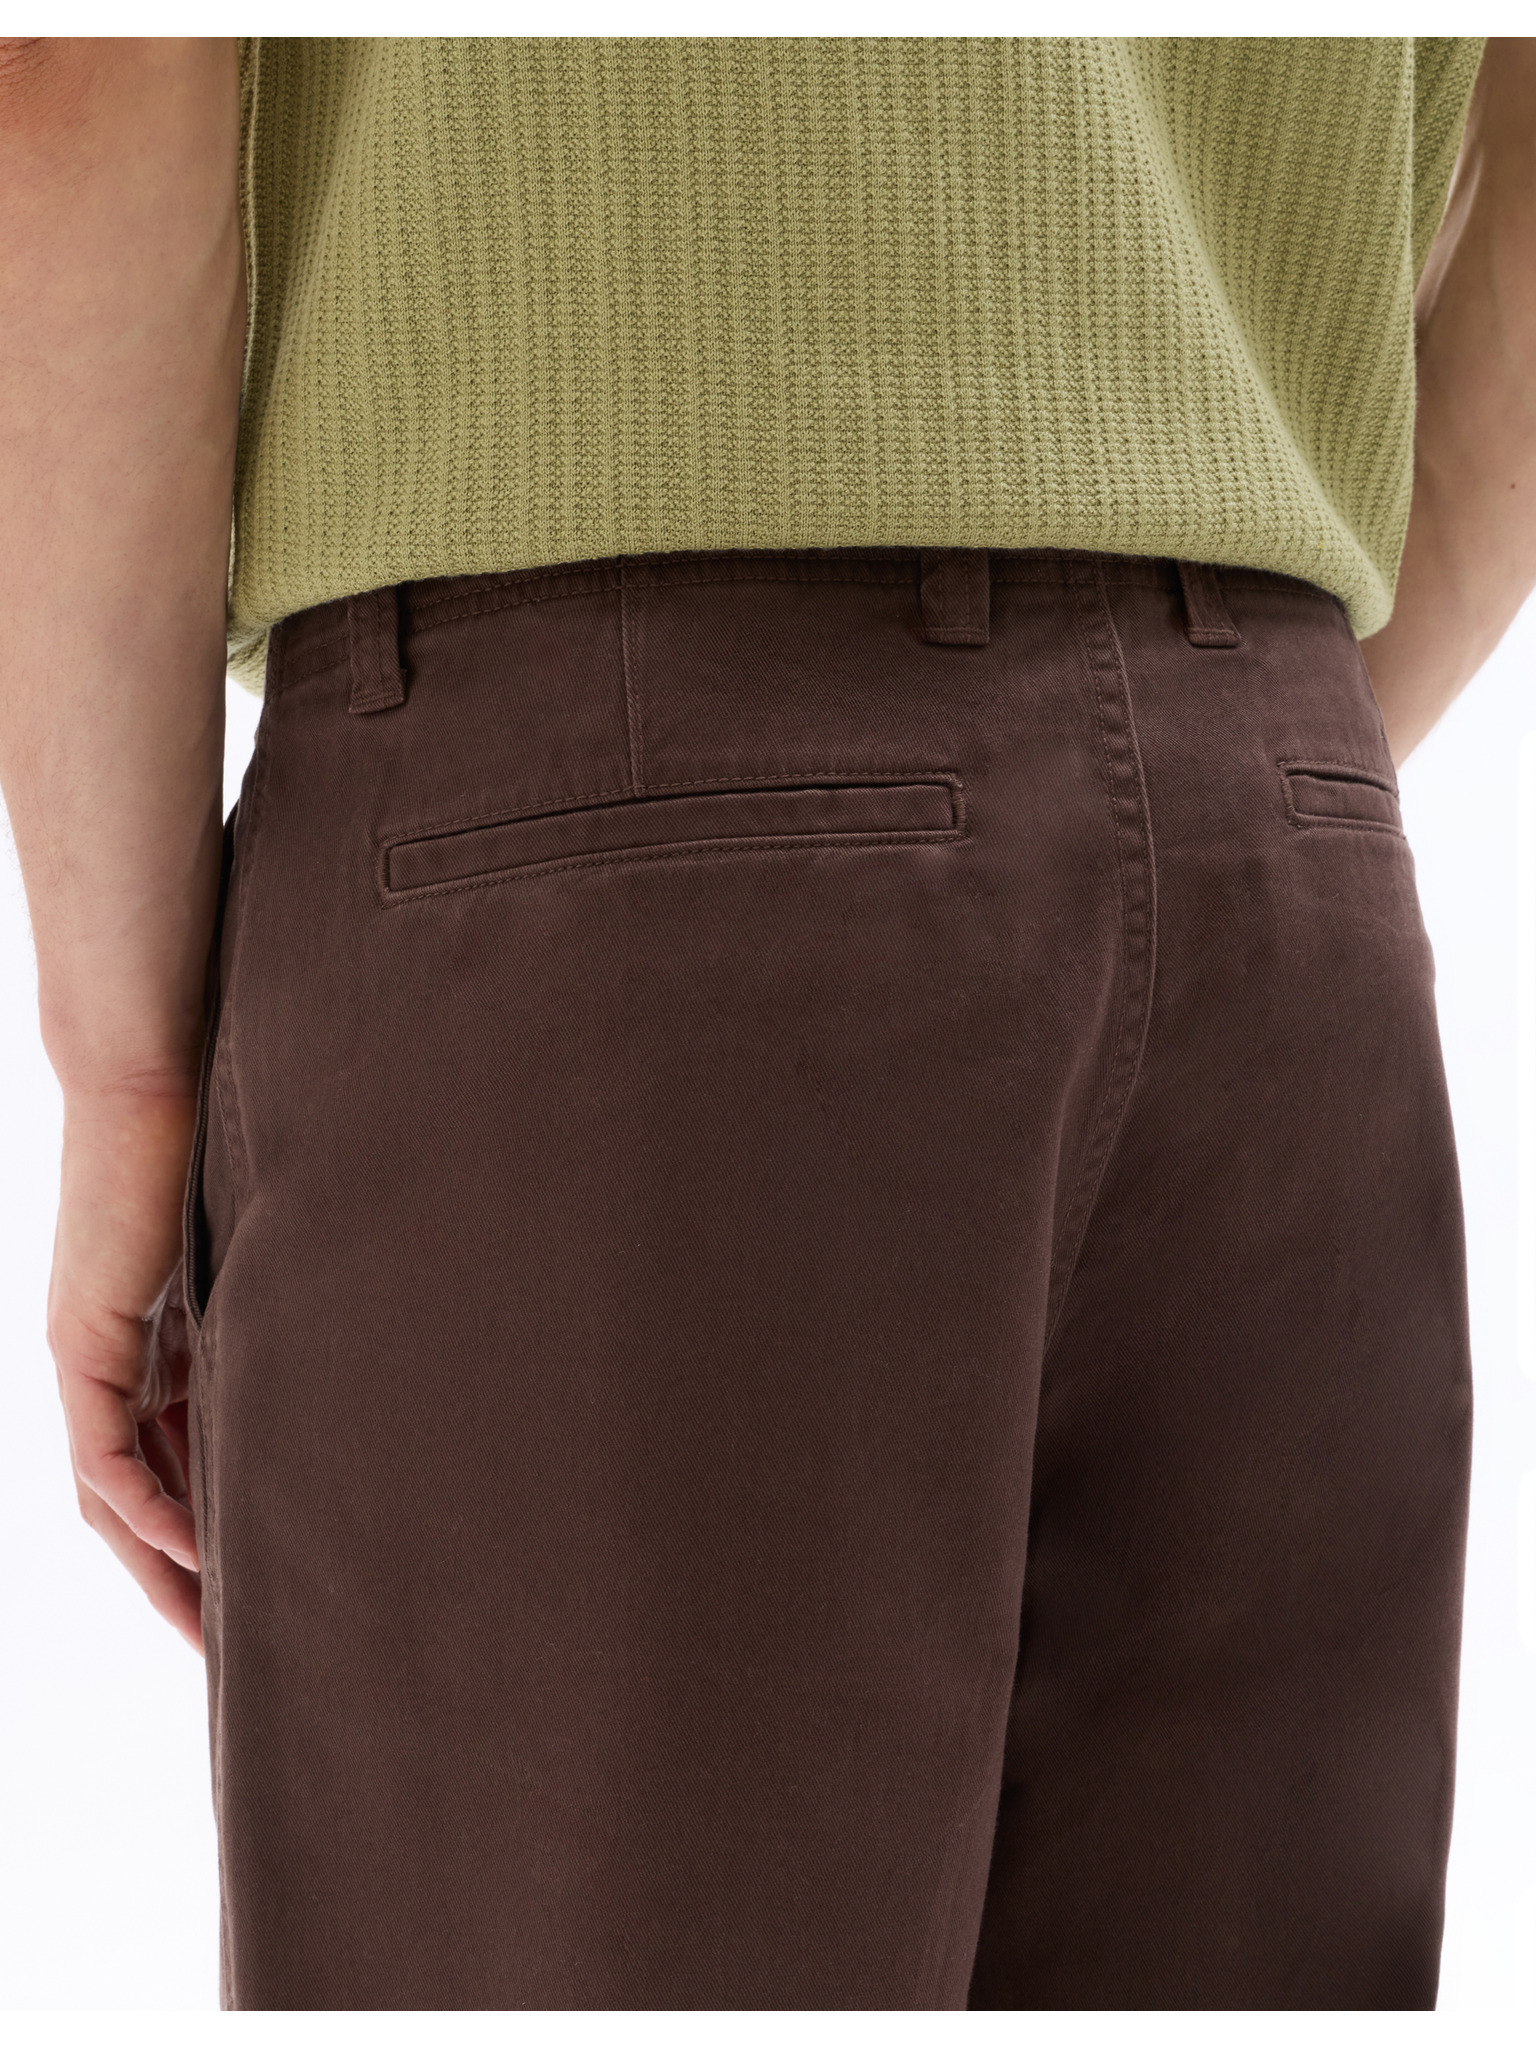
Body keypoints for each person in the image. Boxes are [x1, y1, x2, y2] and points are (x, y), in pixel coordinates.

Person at [0, 33, 1530, 2012]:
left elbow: (91, 75)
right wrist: (1239, 762)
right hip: (1284, 876)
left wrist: (126, 1064)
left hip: (611, 857)